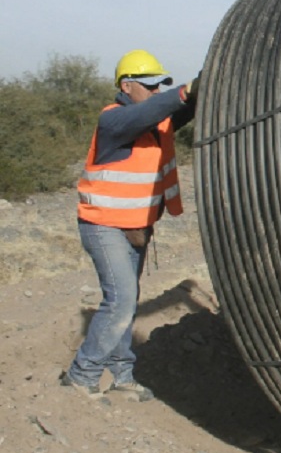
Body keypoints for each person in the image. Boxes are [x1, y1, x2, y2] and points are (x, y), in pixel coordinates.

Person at [61, 50, 198, 402]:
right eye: (150, 86)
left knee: (126, 300)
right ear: (127, 86)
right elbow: (158, 108)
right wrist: (182, 91)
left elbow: (178, 110)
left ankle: (121, 374)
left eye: (161, 86)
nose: (157, 92)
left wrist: (205, 84)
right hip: (103, 227)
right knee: (120, 300)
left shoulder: (155, 124)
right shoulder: (115, 121)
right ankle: (82, 375)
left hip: (135, 229)